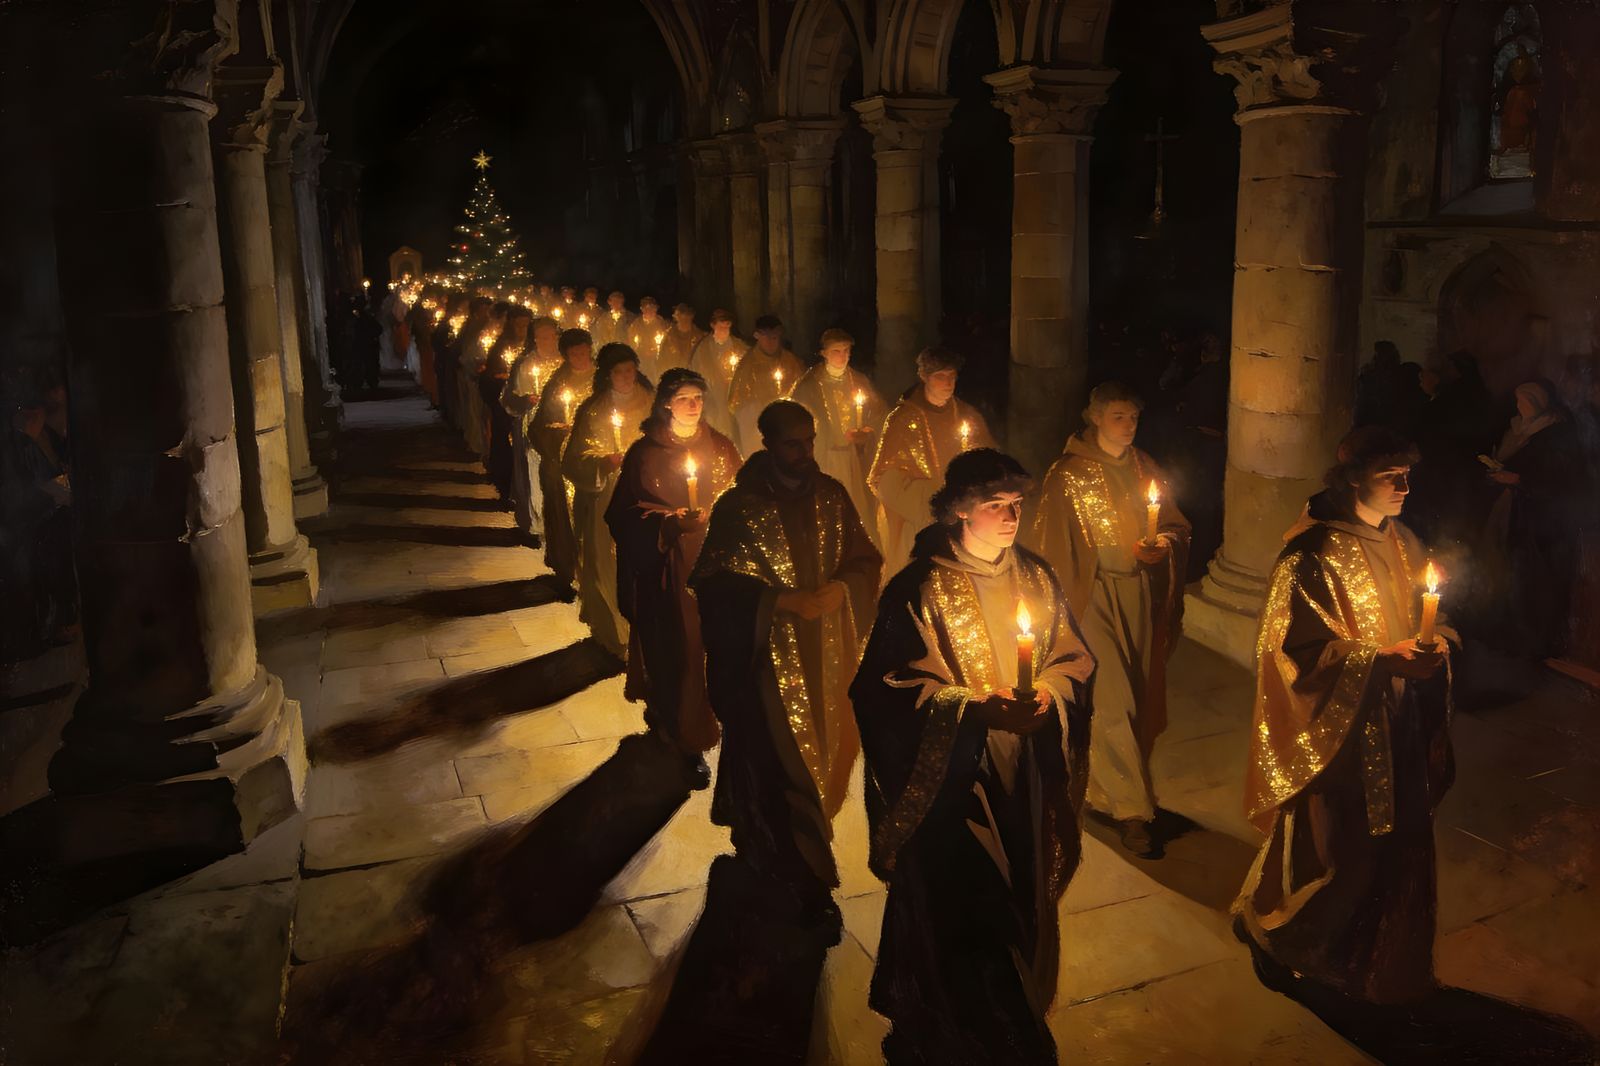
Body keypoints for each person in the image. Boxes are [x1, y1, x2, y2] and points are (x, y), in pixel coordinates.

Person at [851, 448, 1095, 1065]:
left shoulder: (1036, 576)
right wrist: (969, 708)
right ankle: (982, 1031)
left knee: (1018, 892)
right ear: (959, 510)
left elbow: (1072, 658)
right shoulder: (917, 588)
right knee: (967, 902)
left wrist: (1049, 692)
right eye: (995, 505)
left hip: (1027, 772)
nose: (1011, 516)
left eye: (1016, 504)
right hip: (954, 785)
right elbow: (886, 689)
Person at [1235, 426, 1453, 1006]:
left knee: (1393, 845)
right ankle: (1284, 939)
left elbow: (1425, 617)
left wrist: (1437, 644)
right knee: (1336, 845)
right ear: (1354, 478)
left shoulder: (1404, 541)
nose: (1405, 486)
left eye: (1408, 474)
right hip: (1338, 728)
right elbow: (1292, 654)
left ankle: (1366, 958)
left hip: (1396, 716)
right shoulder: (1310, 556)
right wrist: (1379, 660)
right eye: (1390, 476)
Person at [691, 400, 882, 924]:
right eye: (793, 443)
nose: (804, 453)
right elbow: (715, 586)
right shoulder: (740, 508)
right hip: (768, 666)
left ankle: (798, 857)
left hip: (830, 658)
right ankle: (807, 880)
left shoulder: (832, 496)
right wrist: (778, 603)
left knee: (831, 758)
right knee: (784, 767)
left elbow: (865, 558)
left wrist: (844, 589)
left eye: (809, 440)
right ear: (769, 445)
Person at [1027, 382, 1189, 858]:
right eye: (1118, 416)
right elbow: (1050, 547)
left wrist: (1164, 547)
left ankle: (1102, 792)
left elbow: (1176, 525)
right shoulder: (1067, 475)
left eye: (1133, 417)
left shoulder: (1144, 468)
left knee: (1135, 698)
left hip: (1138, 593)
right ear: (1095, 418)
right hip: (1090, 596)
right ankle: (1134, 812)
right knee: (1114, 698)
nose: (1128, 425)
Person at [606, 368, 742, 784]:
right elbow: (623, 514)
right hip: (669, 570)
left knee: (716, 650)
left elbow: (741, 494)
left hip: (715, 564)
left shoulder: (720, 446)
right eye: (684, 398)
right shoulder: (645, 454)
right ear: (666, 402)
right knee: (679, 651)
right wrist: (668, 525)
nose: (693, 405)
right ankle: (688, 739)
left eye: (698, 398)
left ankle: (707, 724)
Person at [868, 346, 996, 577]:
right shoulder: (902, 419)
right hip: (917, 520)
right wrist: (927, 498)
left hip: (962, 516)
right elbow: (885, 479)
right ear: (924, 376)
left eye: (952, 377)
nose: (948, 383)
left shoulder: (967, 416)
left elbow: (989, 463)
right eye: (940, 376)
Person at [562, 343, 655, 658]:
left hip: (647, 494)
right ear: (608, 375)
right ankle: (614, 632)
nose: (626, 377)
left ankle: (646, 631)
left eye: (630, 370)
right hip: (609, 496)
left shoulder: (652, 404)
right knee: (607, 561)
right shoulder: (593, 409)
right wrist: (603, 462)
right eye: (619, 372)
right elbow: (574, 459)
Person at [1484, 380, 1586, 659]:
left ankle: (1542, 645)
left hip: (1550, 523)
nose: (1518, 406)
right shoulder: (1524, 428)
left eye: (1523, 401)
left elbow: (1562, 480)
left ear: (1538, 403)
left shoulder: (1556, 433)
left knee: (1543, 581)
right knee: (1520, 577)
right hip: (1526, 516)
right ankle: (1523, 638)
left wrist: (1517, 479)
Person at [789, 328, 886, 549]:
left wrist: (867, 434)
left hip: (856, 461)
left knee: (857, 510)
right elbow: (797, 424)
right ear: (823, 353)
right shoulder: (808, 386)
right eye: (836, 351)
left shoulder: (859, 382)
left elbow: (880, 415)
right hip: (824, 460)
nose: (842, 356)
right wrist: (831, 440)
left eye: (846, 351)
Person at [530, 328, 596, 586]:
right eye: (574, 354)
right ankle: (571, 569)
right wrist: (558, 430)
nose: (580, 357)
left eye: (583, 352)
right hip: (564, 458)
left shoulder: (602, 379)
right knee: (567, 516)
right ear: (566, 356)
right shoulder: (558, 382)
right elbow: (540, 425)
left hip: (595, 459)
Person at [501, 316, 565, 545]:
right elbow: (509, 398)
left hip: (561, 427)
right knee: (534, 475)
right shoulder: (525, 363)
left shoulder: (565, 364)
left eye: (550, 336)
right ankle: (538, 524)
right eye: (541, 337)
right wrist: (526, 399)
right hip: (532, 427)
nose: (546, 341)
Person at [727, 313, 805, 457]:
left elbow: (802, 395)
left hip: (788, 428)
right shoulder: (747, 365)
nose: (770, 342)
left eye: (774, 337)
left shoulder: (791, 362)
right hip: (757, 430)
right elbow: (737, 403)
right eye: (766, 337)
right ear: (757, 336)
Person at [482, 305, 530, 500]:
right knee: (503, 442)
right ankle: (503, 482)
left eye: (525, 326)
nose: (521, 330)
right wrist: (501, 377)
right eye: (518, 325)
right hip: (502, 404)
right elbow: (489, 377)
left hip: (524, 405)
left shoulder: (529, 349)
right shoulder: (501, 346)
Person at [687, 308, 747, 442]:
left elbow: (747, 371)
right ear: (713, 325)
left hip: (733, 397)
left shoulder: (739, 347)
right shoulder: (703, 349)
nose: (725, 330)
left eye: (727, 326)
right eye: (721, 326)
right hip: (712, 398)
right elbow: (694, 374)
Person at [658, 303, 705, 376]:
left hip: (692, 376)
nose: (684, 319)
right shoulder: (669, 336)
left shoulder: (699, 337)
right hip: (673, 375)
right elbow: (662, 358)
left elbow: (703, 360)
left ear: (691, 316)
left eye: (687, 315)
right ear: (676, 317)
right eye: (680, 316)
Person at [627, 296, 668, 380]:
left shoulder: (662, 323)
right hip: (641, 357)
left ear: (656, 309)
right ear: (642, 309)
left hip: (657, 359)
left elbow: (666, 341)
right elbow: (631, 340)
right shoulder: (636, 324)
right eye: (646, 308)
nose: (649, 311)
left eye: (652, 308)